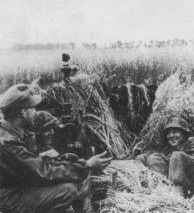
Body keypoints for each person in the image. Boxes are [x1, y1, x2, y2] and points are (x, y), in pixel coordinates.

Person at [0, 83, 112, 213]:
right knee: (67, 190)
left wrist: (75, 164)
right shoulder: (8, 142)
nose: (36, 112)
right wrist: (86, 165)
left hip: (17, 185)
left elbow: (36, 163)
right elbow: (43, 172)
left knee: (74, 181)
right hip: (9, 197)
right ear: (24, 113)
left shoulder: (11, 132)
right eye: (33, 108)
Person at [136, 116, 194, 197]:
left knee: (176, 156)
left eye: (175, 132)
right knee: (151, 158)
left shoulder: (193, 142)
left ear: (184, 133)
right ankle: (161, 188)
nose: (171, 135)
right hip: (173, 181)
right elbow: (161, 159)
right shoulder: (169, 149)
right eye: (169, 133)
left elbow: (192, 161)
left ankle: (178, 194)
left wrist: (173, 158)